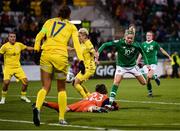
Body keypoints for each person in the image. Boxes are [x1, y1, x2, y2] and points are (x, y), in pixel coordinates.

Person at [32, 5, 85, 126]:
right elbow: (77, 45)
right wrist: (81, 60)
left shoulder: (49, 22)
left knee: (45, 86)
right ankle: (61, 118)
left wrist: (36, 50)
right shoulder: (71, 27)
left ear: (59, 13)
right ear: (69, 15)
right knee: (61, 88)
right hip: (60, 57)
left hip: (46, 55)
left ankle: (38, 107)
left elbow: (39, 36)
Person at [97, 27, 149, 107]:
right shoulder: (119, 43)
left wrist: (147, 63)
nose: (129, 40)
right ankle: (110, 104)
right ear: (125, 37)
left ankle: (141, 71)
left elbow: (143, 53)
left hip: (133, 66)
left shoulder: (136, 45)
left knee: (144, 83)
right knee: (116, 83)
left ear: (133, 38)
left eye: (131, 38)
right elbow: (105, 44)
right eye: (128, 38)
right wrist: (98, 52)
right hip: (121, 67)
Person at [0, 32, 33, 104]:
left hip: (18, 67)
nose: (12, 38)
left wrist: (36, 48)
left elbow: (27, 48)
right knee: (6, 82)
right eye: (11, 37)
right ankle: (3, 98)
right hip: (8, 68)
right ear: (8, 38)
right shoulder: (4, 46)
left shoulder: (19, 45)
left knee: (26, 82)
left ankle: (23, 96)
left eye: (14, 37)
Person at [37, 84, 119, 113]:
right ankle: (96, 109)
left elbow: (86, 92)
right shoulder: (105, 97)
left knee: (65, 108)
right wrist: (112, 107)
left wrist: (80, 84)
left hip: (81, 102)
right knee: (91, 108)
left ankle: (45, 103)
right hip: (90, 104)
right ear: (104, 90)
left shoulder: (93, 93)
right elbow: (115, 105)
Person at [137, 31, 172, 97]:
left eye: (149, 35)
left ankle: (154, 77)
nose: (148, 36)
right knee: (147, 79)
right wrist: (137, 61)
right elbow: (141, 54)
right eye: (147, 35)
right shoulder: (143, 44)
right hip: (145, 64)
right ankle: (150, 91)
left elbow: (162, 50)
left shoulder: (155, 43)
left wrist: (168, 56)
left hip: (153, 63)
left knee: (149, 76)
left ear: (152, 36)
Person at [73, 28, 97, 99]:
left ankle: (85, 99)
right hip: (85, 67)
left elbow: (92, 50)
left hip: (89, 67)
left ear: (84, 36)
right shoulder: (82, 44)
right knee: (77, 83)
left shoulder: (87, 42)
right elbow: (81, 50)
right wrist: (70, 49)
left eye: (80, 36)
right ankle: (89, 97)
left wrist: (95, 55)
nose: (79, 38)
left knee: (76, 83)